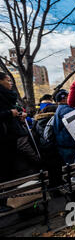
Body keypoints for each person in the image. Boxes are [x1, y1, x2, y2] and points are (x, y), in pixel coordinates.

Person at [0, 72, 28, 212]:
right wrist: (9, 114)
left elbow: (14, 108)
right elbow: (5, 112)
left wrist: (19, 114)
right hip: (3, 138)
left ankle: (14, 201)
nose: (11, 83)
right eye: (8, 80)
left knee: (12, 169)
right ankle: (4, 202)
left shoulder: (9, 96)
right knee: (4, 171)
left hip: (11, 136)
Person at [53, 89, 75, 165]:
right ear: (64, 99)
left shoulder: (61, 109)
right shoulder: (66, 110)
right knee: (74, 169)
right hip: (69, 145)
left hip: (65, 145)